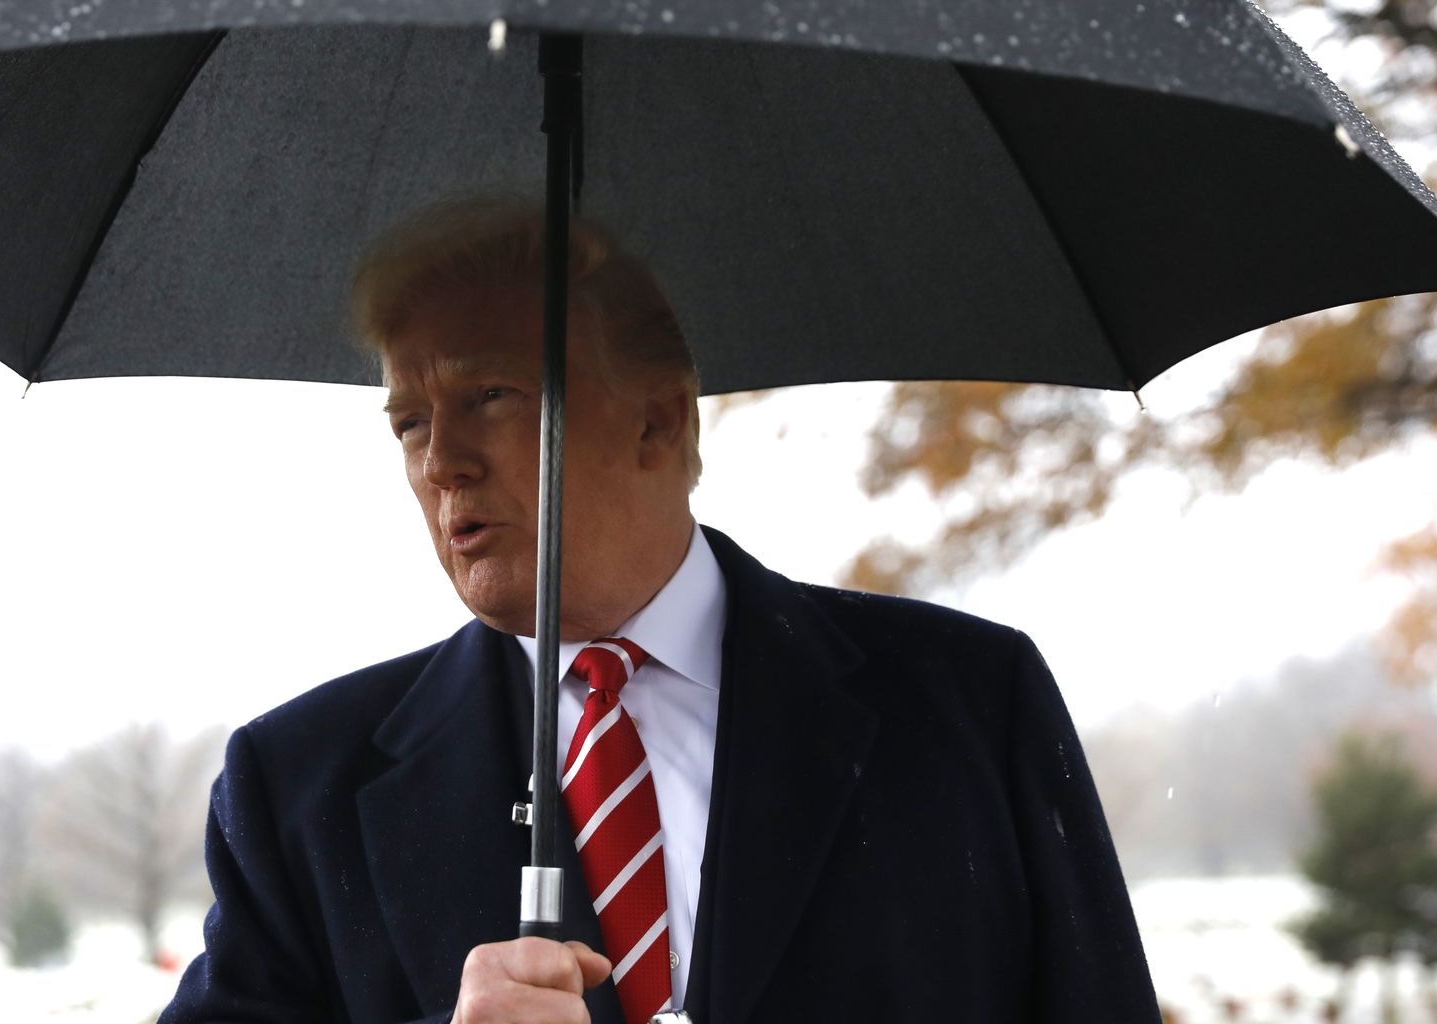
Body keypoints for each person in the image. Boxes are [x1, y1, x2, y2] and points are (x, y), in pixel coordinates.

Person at [159, 199, 1160, 1024]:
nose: (439, 462)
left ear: (658, 419)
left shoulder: (973, 706)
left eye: (492, 396)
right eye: (410, 422)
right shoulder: (298, 787)